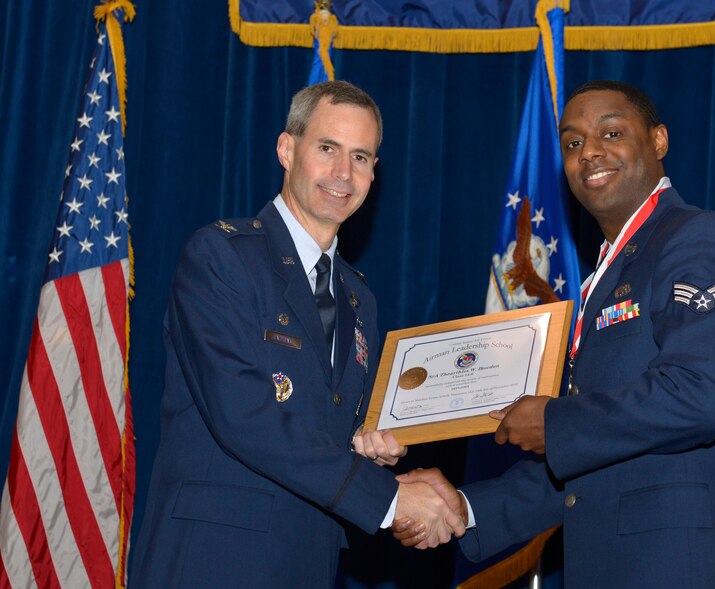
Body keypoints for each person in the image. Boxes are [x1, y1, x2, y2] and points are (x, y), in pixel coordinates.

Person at [393, 81, 715, 587]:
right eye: (573, 142)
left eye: (611, 133)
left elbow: (703, 394)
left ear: (659, 140)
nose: (590, 152)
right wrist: (465, 509)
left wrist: (554, 423)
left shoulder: (696, 238)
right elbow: (598, 451)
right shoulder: (611, 272)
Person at [130, 81, 464, 588]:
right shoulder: (220, 257)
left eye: (360, 157)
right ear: (287, 150)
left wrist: (368, 444)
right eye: (327, 148)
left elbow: (326, 424)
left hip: (309, 559)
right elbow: (243, 415)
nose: (343, 172)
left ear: (374, 172)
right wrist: (388, 500)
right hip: (213, 559)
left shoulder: (359, 298)